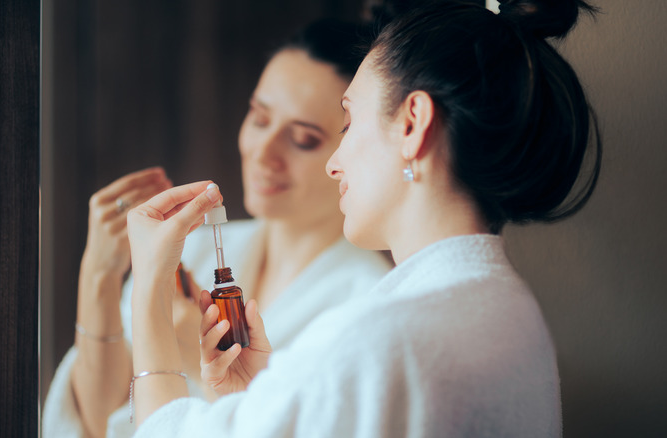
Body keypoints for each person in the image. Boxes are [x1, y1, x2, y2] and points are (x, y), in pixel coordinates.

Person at [123, 0, 602, 436]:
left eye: (348, 124)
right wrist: (255, 398)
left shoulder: (377, 339)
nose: (336, 162)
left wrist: (149, 288)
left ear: (412, 124)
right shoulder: (508, 311)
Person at [42, 19, 392, 438]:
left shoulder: (368, 305)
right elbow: (97, 424)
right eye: (260, 119)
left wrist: (195, 358)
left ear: (350, 148)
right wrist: (99, 276)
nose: (264, 153)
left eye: (302, 140)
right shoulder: (192, 251)